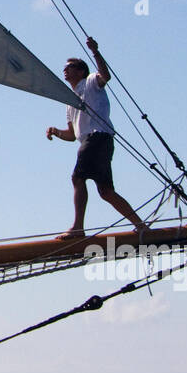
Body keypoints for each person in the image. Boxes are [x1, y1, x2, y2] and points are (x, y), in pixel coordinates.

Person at [46, 36, 145, 239]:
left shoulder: (90, 82)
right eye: (64, 67)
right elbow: (72, 135)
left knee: (77, 178)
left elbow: (106, 75)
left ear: (81, 71)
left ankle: (78, 228)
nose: (65, 70)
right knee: (106, 191)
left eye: (70, 66)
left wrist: (95, 52)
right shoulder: (69, 100)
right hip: (94, 141)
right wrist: (56, 132)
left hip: (97, 138)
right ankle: (141, 225)